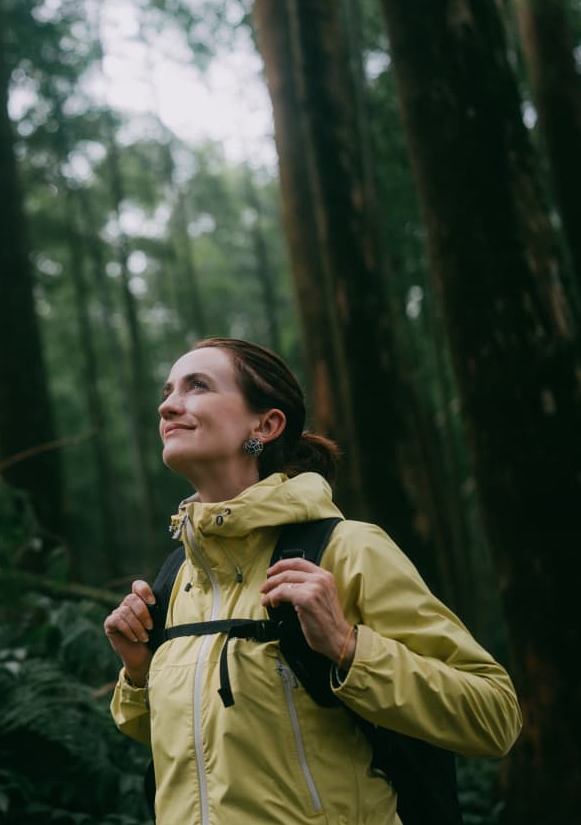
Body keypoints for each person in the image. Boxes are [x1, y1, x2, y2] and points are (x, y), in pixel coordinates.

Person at [103, 337, 520, 824]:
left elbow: (495, 716)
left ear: (266, 424)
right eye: (169, 389)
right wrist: (138, 672)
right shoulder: (178, 578)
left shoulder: (347, 550)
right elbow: (201, 745)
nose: (168, 403)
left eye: (198, 386)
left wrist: (348, 648)